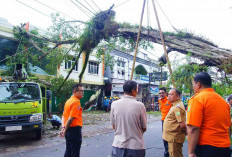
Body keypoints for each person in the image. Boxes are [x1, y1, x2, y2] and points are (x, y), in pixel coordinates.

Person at [187, 72, 231, 157]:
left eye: (193, 85)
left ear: (198, 84)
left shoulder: (197, 99)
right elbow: (228, 127)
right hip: (225, 149)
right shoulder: (223, 102)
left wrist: (191, 152)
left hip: (206, 149)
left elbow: (193, 128)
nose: (193, 88)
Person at [110, 80, 147, 157]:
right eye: (136, 90)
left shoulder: (114, 104)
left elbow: (114, 126)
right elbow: (144, 127)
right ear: (133, 91)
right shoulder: (140, 106)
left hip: (118, 146)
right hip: (136, 147)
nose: (137, 92)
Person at [60, 84, 84, 157]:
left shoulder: (68, 101)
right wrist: (64, 130)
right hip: (74, 131)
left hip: (68, 130)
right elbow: (70, 119)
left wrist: (63, 128)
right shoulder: (76, 102)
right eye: (81, 91)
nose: (83, 92)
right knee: (74, 153)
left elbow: (63, 116)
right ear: (75, 91)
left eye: (83, 91)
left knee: (68, 151)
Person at [163, 88, 187, 157]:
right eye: (168, 94)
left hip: (174, 138)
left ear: (177, 96)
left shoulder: (177, 107)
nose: (169, 96)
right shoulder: (174, 105)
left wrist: (186, 133)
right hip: (171, 137)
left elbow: (182, 124)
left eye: (171, 94)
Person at [158, 87, 172, 157]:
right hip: (163, 121)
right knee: (164, 137)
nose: (161, 94)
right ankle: (167, 151)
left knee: (169, 138)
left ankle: (168, 153)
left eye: (163, 93)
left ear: (166, 93)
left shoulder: (170, 100)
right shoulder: (160, 101)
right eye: (160, 93)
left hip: (170, 122)